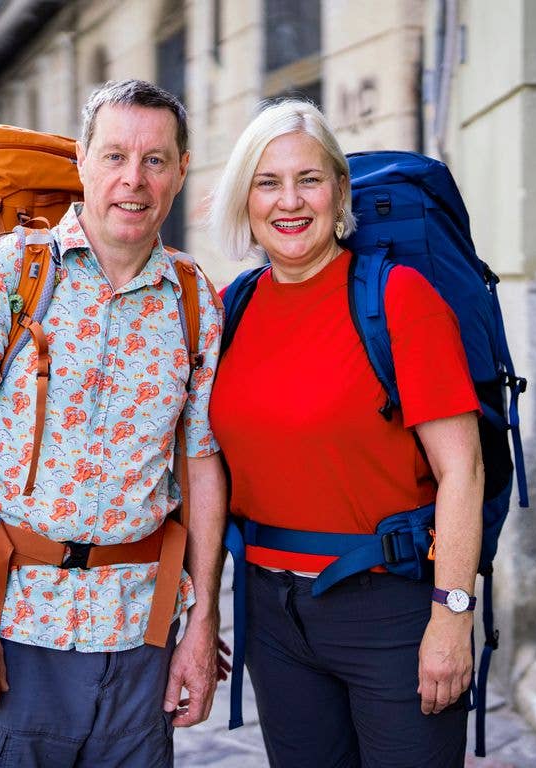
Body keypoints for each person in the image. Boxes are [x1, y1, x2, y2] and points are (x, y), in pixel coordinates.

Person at [0, 79, 227, 767]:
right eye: (115, 156)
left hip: (140, 636)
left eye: (154, 159)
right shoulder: (5, 274)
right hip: (15, 627)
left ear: (180, 169)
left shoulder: (196, 298)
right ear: (82, 161)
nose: (133, 180)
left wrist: (203, 619)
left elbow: (202, 461)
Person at [207, 100, 484, 767]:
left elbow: (462, 470)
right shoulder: (231, 309)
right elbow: (205, 463)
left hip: (387, 609)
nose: (289, 201)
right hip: (271, 617)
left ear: (339, 190)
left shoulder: (398, 297)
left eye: (309, 179)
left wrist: (451, 616)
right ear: (245, 199)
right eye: (268, 183)